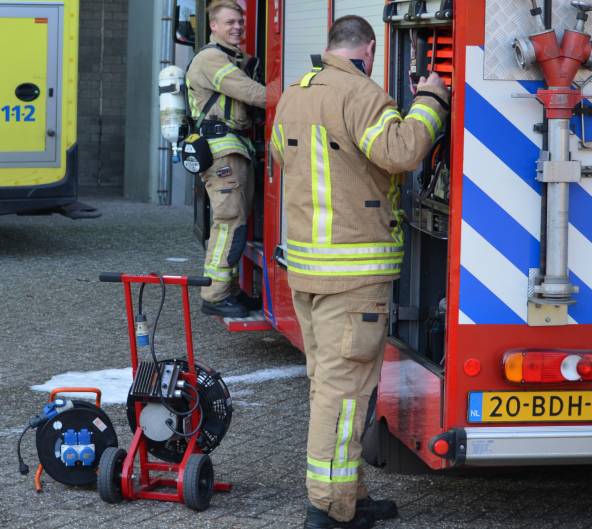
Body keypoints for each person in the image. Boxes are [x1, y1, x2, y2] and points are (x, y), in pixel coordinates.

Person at [269, 15, 449, 529]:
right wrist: (431, 102)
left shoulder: (295, 94)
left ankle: (349, 491)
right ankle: (329, 507)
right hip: (354, 274)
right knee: (344, 396)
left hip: (307, 270)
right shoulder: (362, 94)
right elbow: (401, 153)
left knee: (327, 386)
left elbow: (286, 155)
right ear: (369, 49)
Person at [186, 0, 266, 318]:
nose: (237, 27)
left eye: (240, 22)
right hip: (222, 152)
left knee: (237, 223)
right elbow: (250, 92)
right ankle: (215, 295)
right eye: (229, 22)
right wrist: (295, 97)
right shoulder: (211, 59)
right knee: (229, 222)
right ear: (214, 27)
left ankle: (229, 290)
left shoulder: (231, 57)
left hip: (233, 149)